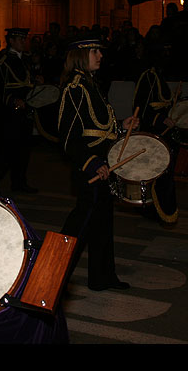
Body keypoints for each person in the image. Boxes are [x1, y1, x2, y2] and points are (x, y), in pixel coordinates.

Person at [57, 38, 138, 291]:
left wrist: (122, 125)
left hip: (103, 165)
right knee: (78, 226)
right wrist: (91, 163)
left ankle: (102, 277)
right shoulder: (75, 88)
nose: (100, 55)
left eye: (100, 51)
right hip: (90, 168)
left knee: (102, 222)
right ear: (80, 55)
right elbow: (68, 136)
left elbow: (99, 127)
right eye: (94, 51)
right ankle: (50, 275)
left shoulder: (91, 84)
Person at [0, 28, 38, 195]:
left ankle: (19, 183)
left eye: (24, 39)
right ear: (11, 41)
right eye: (20, 39)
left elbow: (27, 82)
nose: (23, 42)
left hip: (25, 110)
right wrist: (12, 100)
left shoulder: (25, 59)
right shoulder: (2, 61)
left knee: (24, 149)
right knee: (8, 150)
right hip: (8, 113)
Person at [132, 64, 179, 226]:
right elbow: (142, 109)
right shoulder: (149, 77)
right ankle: (154, 209)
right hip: (153, 135)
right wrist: (159, 119)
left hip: (163, 134)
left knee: (165, 175)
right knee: (155, 174)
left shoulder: (159, 76)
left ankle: (162, 209)